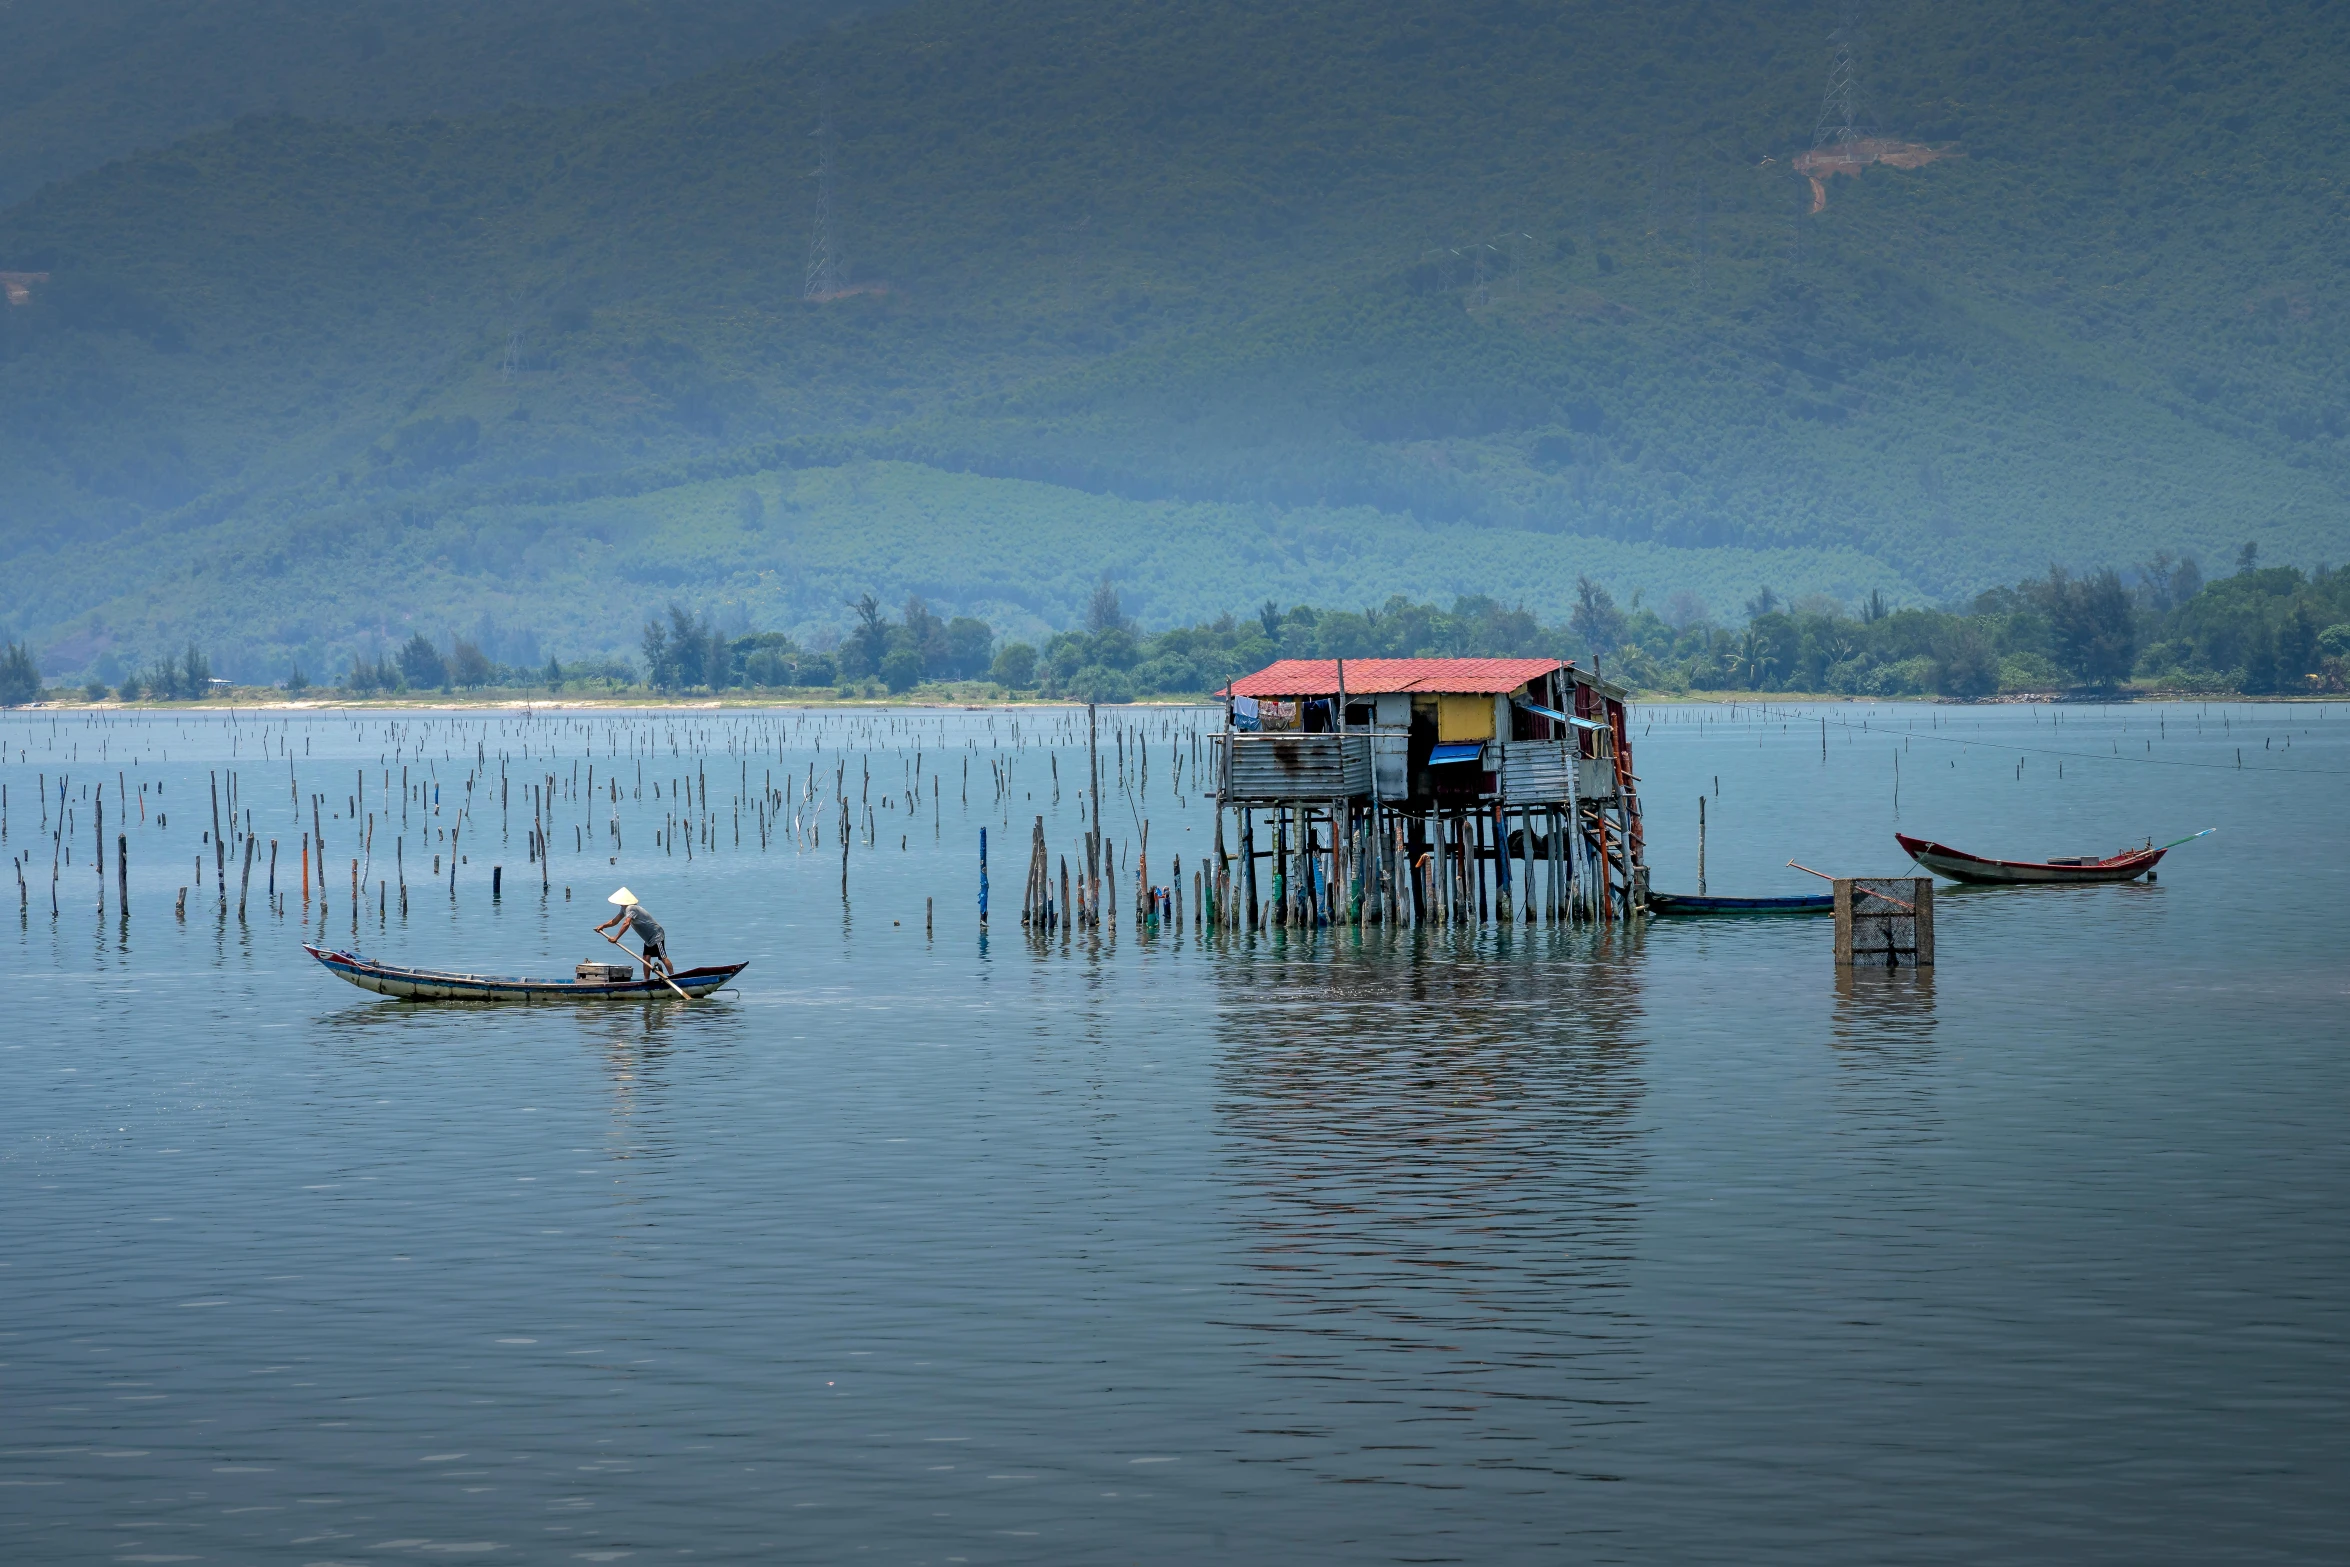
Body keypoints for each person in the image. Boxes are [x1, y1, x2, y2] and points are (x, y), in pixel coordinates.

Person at [594, 887, 673, 979]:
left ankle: (673, 977)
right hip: (647, 938)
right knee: (646, 959)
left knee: (662, 956)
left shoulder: (631, 908)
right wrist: (602, 926)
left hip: (656, 934)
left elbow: (626, 923)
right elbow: (615, 921)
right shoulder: (624, 909)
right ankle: (646, 980)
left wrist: (616, 937)